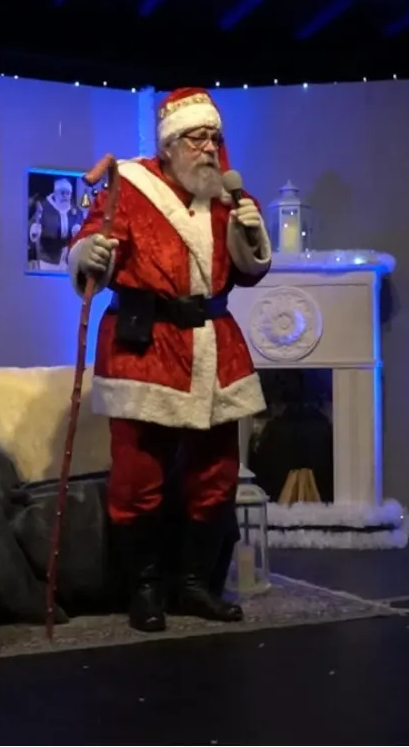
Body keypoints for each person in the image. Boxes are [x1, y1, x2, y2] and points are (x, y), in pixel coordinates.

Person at [67, 87, 272, 633]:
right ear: (171, 144)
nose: (209, 149)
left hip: (213, 341)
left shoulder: (230, 197)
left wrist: (252, 237)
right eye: (198, 138)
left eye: (215, 138)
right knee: (139, 474)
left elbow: (249, 274)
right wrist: (87, 254)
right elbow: (91, 242)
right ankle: (145, 588)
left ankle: (195, 585)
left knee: (216, 472)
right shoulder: (128, 186)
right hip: (145, 344)